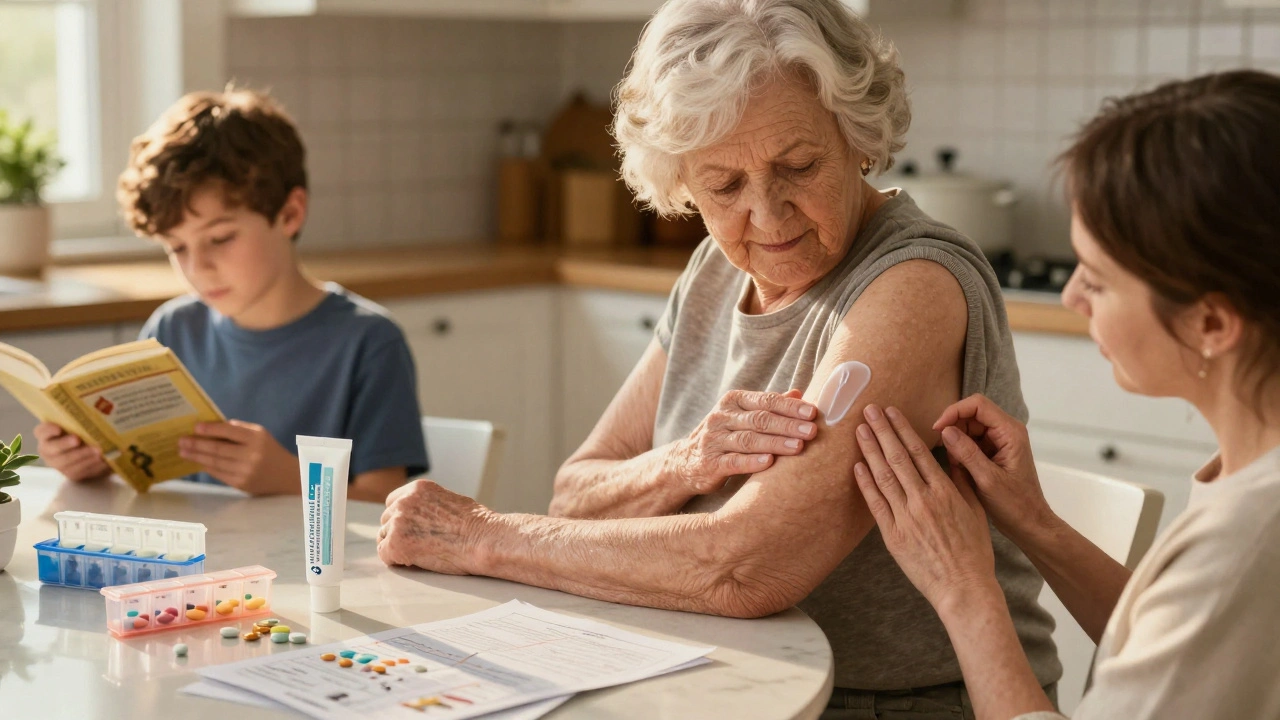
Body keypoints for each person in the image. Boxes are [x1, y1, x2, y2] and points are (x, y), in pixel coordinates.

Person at [375, 1, 1060, 714]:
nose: (766, 215)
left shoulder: (911, 286)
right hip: (713, 676)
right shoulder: (714, 269)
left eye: (798, 166)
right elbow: (577, 493)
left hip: (889, 705)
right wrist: (686, 461)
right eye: (724, 185)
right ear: (679, 182)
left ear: (857, 136)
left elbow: (747, 567)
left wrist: (484, 539)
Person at [851, 69, 1280, 719]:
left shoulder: (1249, 537)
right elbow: (1185, 650)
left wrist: (964, 589)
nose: (1071, 296)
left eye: (1099, 281)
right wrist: (1035, 523)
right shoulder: (1253, 488)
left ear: (1212, 324)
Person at [35, 89, 428, 503]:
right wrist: (92, 462)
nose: (197, 267)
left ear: (290, 214)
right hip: (196, 564)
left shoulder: (369, 343)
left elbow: (384, 503)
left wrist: (287, 476)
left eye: (220, 238)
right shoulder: (172, 329)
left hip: (305, 567)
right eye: (177, 247)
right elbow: (142, 472)